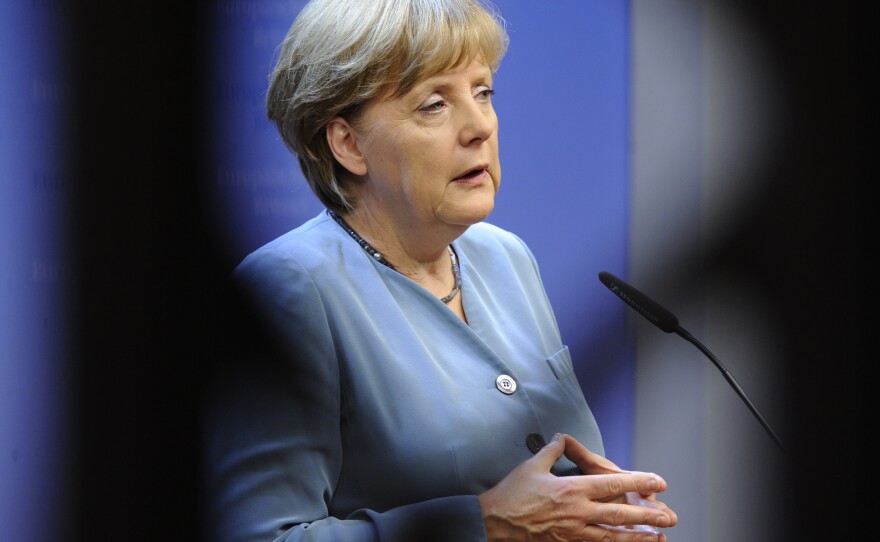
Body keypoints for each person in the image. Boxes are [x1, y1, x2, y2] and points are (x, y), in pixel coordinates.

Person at [204, 0, 678, 540]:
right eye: (434, 104)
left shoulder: (505, 257)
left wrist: (603, 515)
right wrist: (484, 525)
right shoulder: (289, 290)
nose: (479, 126)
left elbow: (546, 481)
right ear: (348, 144)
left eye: (483, 93)